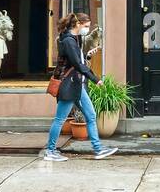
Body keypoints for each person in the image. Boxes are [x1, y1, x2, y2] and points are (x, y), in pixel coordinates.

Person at [44, 12, 118, 162]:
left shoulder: (74, 39)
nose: (87, 29)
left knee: (91, 116)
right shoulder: (68, 41)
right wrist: (95, 79)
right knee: (59, 119)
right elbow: (77, 64)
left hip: (77, 86)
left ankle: (98, 150)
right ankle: (50, 151)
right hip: (69, 86)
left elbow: (77, 60)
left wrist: (87, 56)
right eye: (86, 26)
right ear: (78, 24)